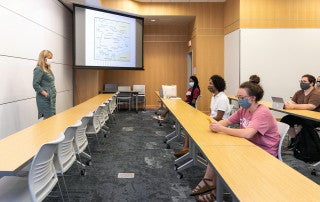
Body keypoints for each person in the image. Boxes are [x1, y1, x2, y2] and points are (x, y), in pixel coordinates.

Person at [192, 78, 280, 202]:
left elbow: (248, 133)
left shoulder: (262, 112)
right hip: (247, 145)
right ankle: (211, 186)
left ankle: (212, 188)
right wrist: (216, 125)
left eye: (241, 97)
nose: (239, 100)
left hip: (263, 152)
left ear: (252, 98)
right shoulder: (244, 109)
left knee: (222, 157)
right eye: (238, 96)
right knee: (217, 153)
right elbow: (228, 121)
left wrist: (221, 129)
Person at [174, 75, 231, 157]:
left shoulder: (222, 98)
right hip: (212, 122)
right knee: (189, 124)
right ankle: (187, 148)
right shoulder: (214, 96)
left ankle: (189, 149)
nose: (208, 85)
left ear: (216, 85)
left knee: (192, 126)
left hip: (218, 125)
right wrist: (205, 118)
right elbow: (211, 113)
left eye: (210, 83)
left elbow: (219, 118)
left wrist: (203, 120)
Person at [280, 74, 320, 149]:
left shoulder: (317, 93)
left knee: (303, 123)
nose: (302, 83)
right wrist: (287, 104)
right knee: (286, 119)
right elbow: (292, 102)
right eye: (301, 81)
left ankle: (299, 143)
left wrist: (293, 106)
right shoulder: (299, 92)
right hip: (301, 116)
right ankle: (294, 140)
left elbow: (311, 106)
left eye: (304, 81)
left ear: (311, 83)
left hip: (313, 118)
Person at [33, 50, 56, 119]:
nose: (51, 60)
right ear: (44, 58)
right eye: (50, 58)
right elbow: (35, 84)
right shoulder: (38, 69)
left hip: (51, 98)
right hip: (44, 99)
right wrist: (46, 94)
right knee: (48, 120)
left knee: (51, 119)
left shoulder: (48, 69)